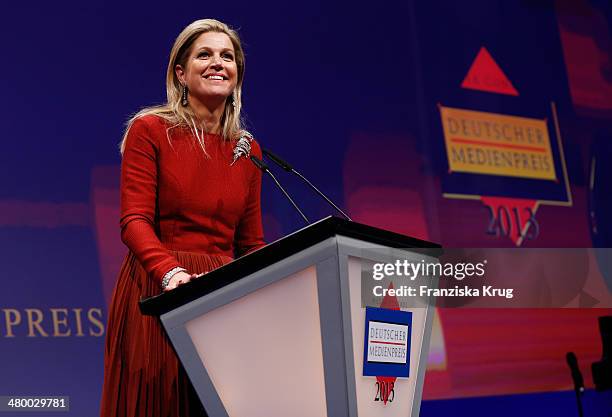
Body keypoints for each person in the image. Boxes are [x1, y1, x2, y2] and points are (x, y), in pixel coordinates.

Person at [100, 19, 265, 417]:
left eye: (227, 56)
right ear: (181, 73)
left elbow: (251, 244)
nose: (217, 63)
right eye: (204, 55)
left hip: (222, 298)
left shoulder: (248, 149)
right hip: (160, 288)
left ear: (237, 73)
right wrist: (171, 274)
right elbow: (133, 219)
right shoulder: (151, 130)